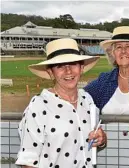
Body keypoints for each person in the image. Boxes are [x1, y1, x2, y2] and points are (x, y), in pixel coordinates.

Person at [15, 38, 107, 168]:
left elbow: (89, 143)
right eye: (60, 66)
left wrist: (101, 139)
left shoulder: (87, 100)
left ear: (81, 68)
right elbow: (28, 161)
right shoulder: (38, 106)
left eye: (73, 64)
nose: (68, 71)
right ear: (51, 73)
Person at [84, 26, 129, 115]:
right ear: (113, 53)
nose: (123, 51)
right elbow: (81, 97)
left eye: (128, 46)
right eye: (119, 47)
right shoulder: (104, 80)